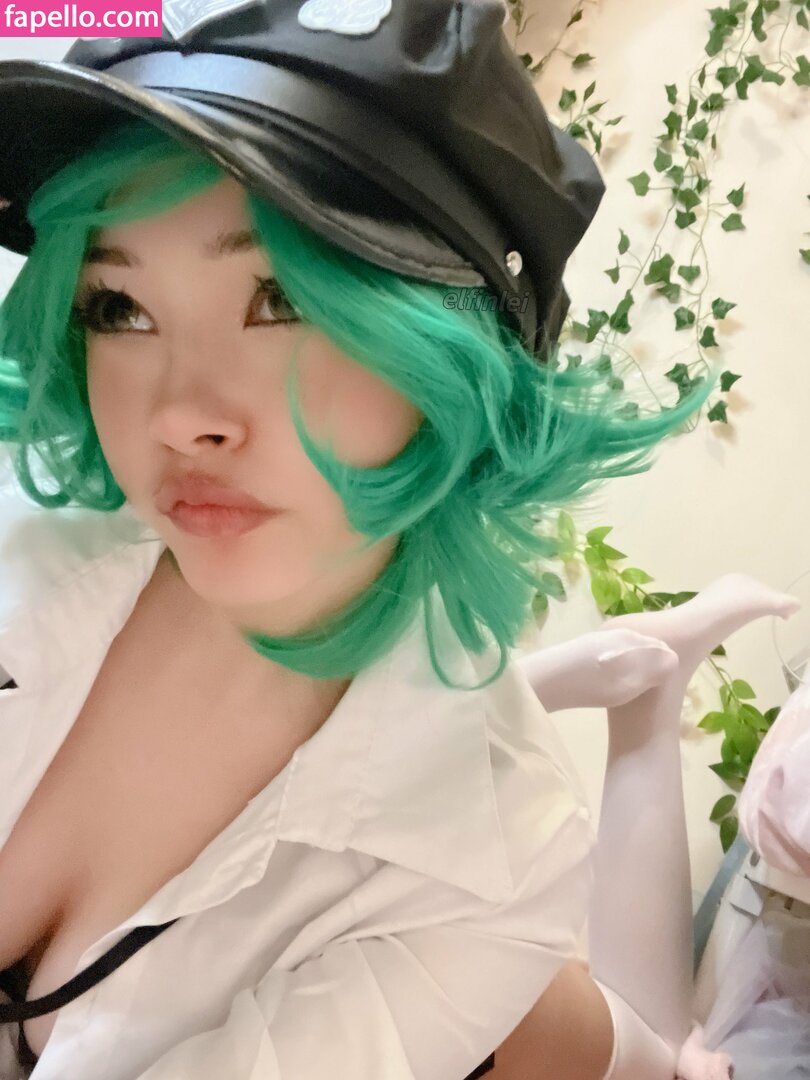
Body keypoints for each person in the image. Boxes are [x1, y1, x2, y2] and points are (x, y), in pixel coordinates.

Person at [0, 1, 724, 1076]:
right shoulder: (38, 540)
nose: (181, 416)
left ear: (453, 353)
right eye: (119, 307)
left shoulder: (490, 869)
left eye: (279, 299)